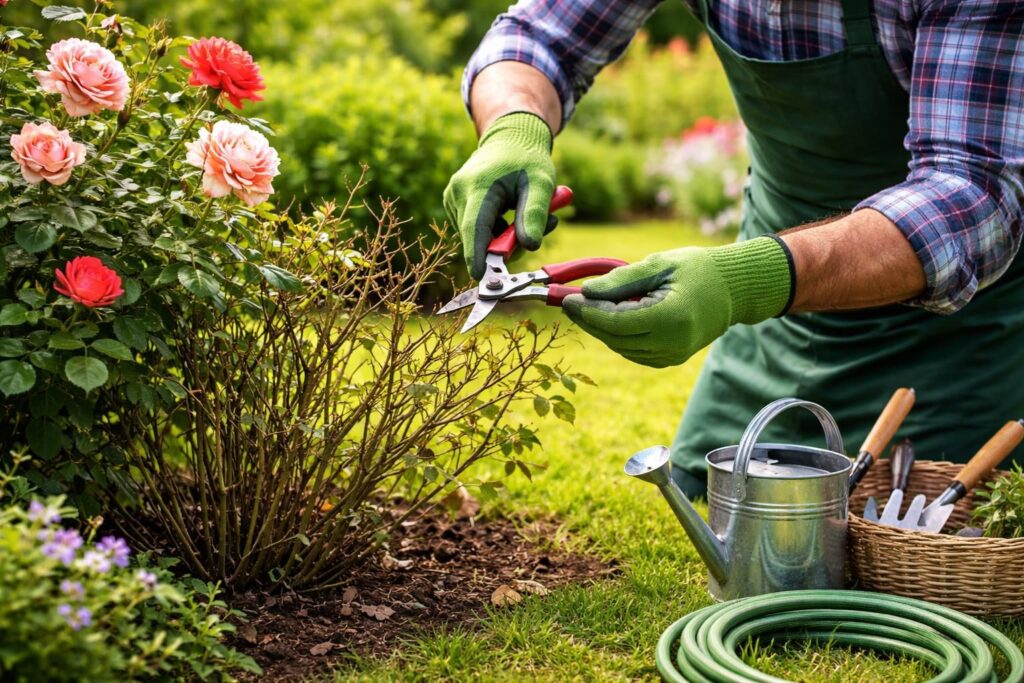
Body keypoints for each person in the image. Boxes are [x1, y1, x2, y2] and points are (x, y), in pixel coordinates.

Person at [443, 0, 1024, 495]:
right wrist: (513, 127)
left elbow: (970, 191)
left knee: (932, 523)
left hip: (954, 344)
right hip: (769, 323)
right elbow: (538, 35)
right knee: (706, 489)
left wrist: (744, 280)